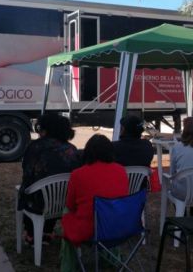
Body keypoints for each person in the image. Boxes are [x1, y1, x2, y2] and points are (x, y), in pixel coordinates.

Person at [60, 134, 129, 270]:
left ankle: (68, 266)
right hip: (119, 226)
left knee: (66, 213)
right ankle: (111, 258)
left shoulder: (78, 174)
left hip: (90, 229)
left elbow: (70, 205)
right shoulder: (121, 170)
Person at [18, 113, 81, 245]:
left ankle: (31, 234)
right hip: (65, 201)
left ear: (45, 130)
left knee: (29, 191)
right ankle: (47, 232)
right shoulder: (72, 149)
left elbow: (27, 172)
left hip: (40, 204)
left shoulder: (35, 147)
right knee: (50, 190)